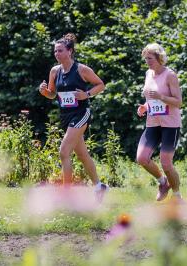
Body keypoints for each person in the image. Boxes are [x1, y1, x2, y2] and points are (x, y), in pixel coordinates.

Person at [38, 33, 108, 198]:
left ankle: (66, 196)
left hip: (81, 113)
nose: (57, 54)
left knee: (64, 152)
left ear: (69, 52)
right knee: (82, 155)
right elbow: (52, 94)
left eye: (60, 50)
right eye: (55, 51)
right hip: (66, 116)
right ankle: (99, 186)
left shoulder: (81, 69)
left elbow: (100, 85)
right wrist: (44, 91)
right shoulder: (55, 71)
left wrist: (87, 94)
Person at [136, 43, 183, 202]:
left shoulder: (170, 75)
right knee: (142, 158)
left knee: (166, 163)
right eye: (145, 59)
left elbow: (178, 102)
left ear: (159, 58)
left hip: (170, 124)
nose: (147, 62)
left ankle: (177, 195)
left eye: (150, 58)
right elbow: (151, 97)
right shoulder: (148, 74)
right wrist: (145, 106)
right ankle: (163, 183)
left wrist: (161, 97)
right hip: (153, 122)